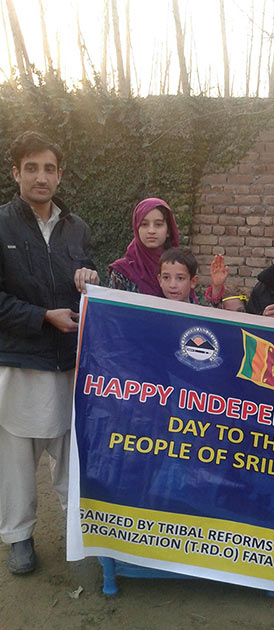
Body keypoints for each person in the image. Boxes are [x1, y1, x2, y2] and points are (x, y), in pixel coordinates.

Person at [0, 131, 99, 574]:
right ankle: (18, 536)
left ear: (60, 175)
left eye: (50, 169)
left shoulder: (76, 227)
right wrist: (42, 315)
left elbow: (87, 283)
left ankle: (79, 531)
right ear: (15, 171)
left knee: (72, 453)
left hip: (70, 361)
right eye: (32, 168)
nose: (41, 177)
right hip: (20, 361)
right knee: (17, 458)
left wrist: (90, 279)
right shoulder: (2, 225)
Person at [108, 197, 179, 296]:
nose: (151, 231)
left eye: (158, 224)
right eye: (144, 224)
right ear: (137, 229)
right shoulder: (122, 272)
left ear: (168, 231)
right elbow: (112, 309)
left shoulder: (180, 268)